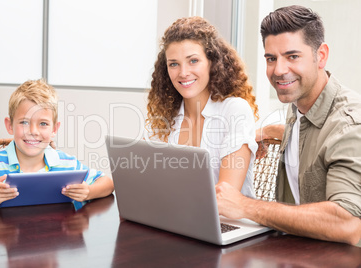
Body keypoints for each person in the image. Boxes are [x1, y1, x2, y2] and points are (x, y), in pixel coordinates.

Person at [216, 5, 361, 245]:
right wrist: (266, 132)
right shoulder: (299, 103)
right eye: (271, 59)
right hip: (296, 250)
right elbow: (319, 138)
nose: (279, 70)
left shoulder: (350, 125)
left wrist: (246, 206)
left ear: (321, 55)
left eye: (292, 56)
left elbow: (348, 224)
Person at [0, 79, 114, 212]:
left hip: (49, 242)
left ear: (54, 129)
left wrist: (88, 192)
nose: (33, 131)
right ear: (10, 125)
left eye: (43, 124)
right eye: (24, 122)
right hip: (0, 244)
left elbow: (108, 183)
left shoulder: (67, 165)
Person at [145, 16, 259, 197]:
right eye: (174, 64)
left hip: (230, 222)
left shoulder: (234, 110)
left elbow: (225, 197)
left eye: (193, 61)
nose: (183, 73)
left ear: (212, 62)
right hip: (179, 218)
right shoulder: (165, 119)